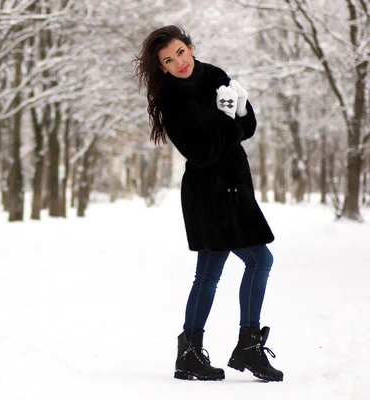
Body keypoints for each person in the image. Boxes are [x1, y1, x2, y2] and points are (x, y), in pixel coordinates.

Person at [134, 25, 283, 382]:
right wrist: (226, 119)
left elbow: (247, 127)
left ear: (190, 47)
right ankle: (241, 345)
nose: (178, 62)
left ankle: (193, 354)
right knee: (256, 260)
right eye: (168, 60)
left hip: (235, 185)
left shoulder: (215, 75)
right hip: (209, 191)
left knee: (212, 272)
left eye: (180, 52)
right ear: (162, 68)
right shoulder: (172, 99)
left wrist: (239, 114)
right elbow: (202, 153)